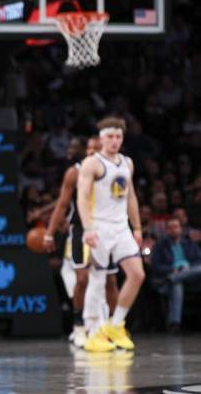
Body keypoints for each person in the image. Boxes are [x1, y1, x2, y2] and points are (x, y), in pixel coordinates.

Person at [76, 117, 145, 352]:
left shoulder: (127, 162)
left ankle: (116, 324)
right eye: (109, 137)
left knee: (137, 274)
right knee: (98, 279)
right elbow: (83, 197)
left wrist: (137, 227)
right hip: (100, 226)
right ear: (101, 138)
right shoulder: (92, 163)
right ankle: (93, 331)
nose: (114, 141)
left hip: (121, 226)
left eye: (118, 137)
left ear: (122, 139)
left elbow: (131, 197)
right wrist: (88, 228)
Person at [43, 136, 119, 348]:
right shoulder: (75, 172)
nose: (92, 152)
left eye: (97, 148)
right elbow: (62, 204)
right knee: (82, 279)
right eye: (89, 149)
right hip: (82, 231)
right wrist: (49, 233)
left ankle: (115, 328)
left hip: (107, 230)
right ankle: (78, 327)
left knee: (111, 281)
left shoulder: (114, 169)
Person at [150, 217, 201, 332]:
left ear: (181, 229)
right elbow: (156, 266)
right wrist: (173, 268)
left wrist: (186, 269)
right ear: (166, 230)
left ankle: (175, 278)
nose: (173, 230)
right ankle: (175, 324)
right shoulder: (160, 245)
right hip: (166, 280)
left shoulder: (189, 243)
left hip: (189, 278)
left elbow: (198, 261)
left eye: (176, 227)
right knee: (177, 285)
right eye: (170, 228)